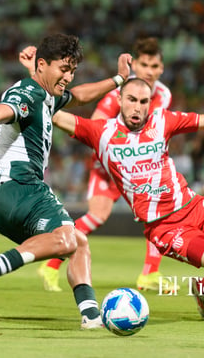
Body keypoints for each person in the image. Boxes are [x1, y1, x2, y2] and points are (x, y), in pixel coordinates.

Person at [51, 77, 204, 321]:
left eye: (143, 101)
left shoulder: (162, 121)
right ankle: (203, 290)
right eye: (131, 100)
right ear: (119, 100)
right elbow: (53, 113)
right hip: (165, 228)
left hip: (194, 206)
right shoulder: (99, 132)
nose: (137, 107)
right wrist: (38, 77)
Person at [0, 33, 131, 329]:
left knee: (78, 242)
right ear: (42, 65)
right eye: (63, 69)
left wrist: (118, 79)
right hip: (20, 188)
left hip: (3, 199)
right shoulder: (29, 92)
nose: (68, 77)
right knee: (68, 238)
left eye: (72, 71)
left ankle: (91, 316)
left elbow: (80, 96)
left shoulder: (47, 96)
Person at [32, 37, 174, 293]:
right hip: (109, 164)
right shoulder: (118, 94)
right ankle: (52, 263)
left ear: (161, 68)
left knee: (157, 214)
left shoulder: (163, 95)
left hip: (141, 164)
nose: (149, 72)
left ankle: (150, 273)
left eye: (154, 66)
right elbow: (97, 124)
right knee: (98, 215)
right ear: (134, 66)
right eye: (144, 65)